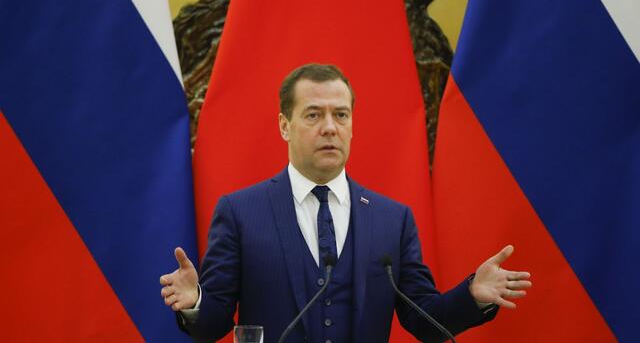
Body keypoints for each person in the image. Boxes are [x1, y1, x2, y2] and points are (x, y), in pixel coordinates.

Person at [160, 64, 532, 342]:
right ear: (284, 125)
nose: (329, 127)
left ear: (352, 125)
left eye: (341, 115)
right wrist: (195, 302)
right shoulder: (241, 213)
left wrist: (472, 295)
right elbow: (214, 324)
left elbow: (425, 320)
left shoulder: (392, 220)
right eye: (313, 115)